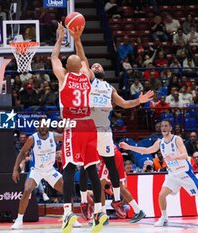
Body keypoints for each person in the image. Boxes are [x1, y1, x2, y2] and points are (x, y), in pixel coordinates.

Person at [78, 63, 153, 222]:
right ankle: (133, 208)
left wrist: (139, 100)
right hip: (95, 133)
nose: (97, 66)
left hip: (103, 136)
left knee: (100, 180)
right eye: (94, 66)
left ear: (104, 72)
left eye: (99, 65)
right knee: (106, 180)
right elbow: (82, 60)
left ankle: (102, 211)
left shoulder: (109, 88)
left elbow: (125, 104)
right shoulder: (89, 82)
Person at [51, 22, 106, 233]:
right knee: (91, 168)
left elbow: (54, 58)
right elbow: (83, 59)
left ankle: (67, 213)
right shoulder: (86, 76)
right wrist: (77, 39)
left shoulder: (63, 77)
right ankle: (99, 212)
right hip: (89, 125)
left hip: (72, 126)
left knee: (69, 168)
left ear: (67, 67)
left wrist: (59, 38)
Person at [119, 120, 198, 227]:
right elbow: (147, 150)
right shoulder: (160, 142)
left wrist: (174, 157)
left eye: (166, 126)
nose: (163, 128)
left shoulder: (176, 139)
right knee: (161, 195)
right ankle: (164, 218)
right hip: (173, 174)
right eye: (162, 126)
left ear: (170, 128)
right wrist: (129, 147)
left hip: (184, 173)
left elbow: (184, 155)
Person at [11, 121, 81, 229]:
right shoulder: (32, 139)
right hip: (37, 170)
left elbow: (69, 138)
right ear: (38, 127)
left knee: (67, 191)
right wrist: (15, 170)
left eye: (45, 126)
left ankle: (70, 216)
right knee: (26, 190)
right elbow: (22, 153)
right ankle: (19, 220)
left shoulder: (54, 136)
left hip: (50, 170)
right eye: (41, 126)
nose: (43, 128)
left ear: (48, 127)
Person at [98, 146, 145, 223]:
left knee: (100, 186)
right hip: (116, 153)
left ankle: (103, 216)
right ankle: (138, 211)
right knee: (120, 186)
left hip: (109, 155)